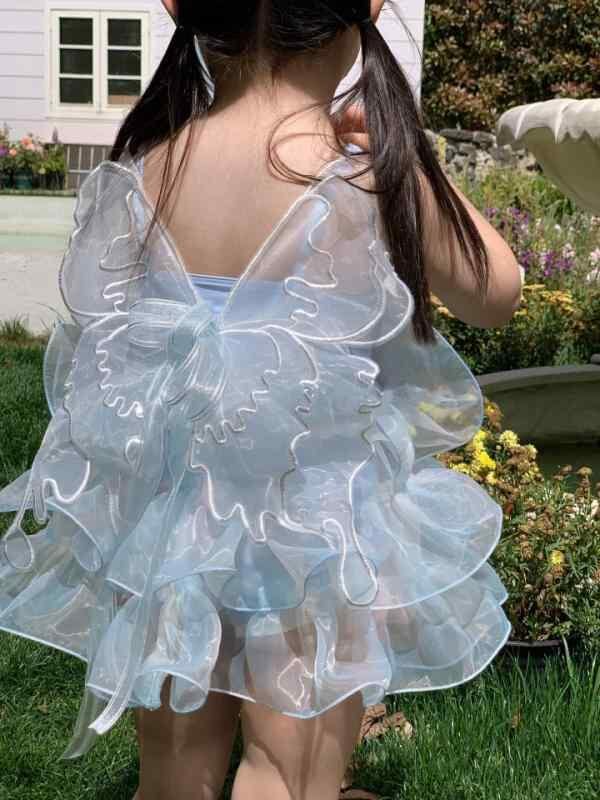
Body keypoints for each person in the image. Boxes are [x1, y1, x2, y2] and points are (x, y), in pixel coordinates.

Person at [0, 2, 523, 799]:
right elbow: (496, 293)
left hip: (174, 525)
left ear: (179, 6)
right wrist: (414, 168)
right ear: (367, 6)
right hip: (308, 531)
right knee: (288, 767)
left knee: (173, 770)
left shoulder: (154, 161)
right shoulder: (360, 171)